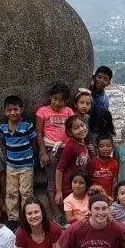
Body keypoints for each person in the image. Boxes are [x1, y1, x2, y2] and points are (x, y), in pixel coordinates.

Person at [0, 95, 38, 230]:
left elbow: (33, 142)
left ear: (22, 110)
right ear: (4, 112)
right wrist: (7, 157)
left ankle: (27, 216)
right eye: (9, 110)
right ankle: (12, 218)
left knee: (26, 192)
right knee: (11, 192)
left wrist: (31, 157)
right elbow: (3, 143)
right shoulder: (2, 126)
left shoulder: (27, 125)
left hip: (26, 165)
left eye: (15, 109)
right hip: (11, 165)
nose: (12, 113)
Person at [36, 82, 74, 220]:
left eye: (61, 100)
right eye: (55, 99)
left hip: (67, 149)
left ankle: (68, 211)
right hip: (51, 149)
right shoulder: (43, 111)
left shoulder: (69, 111)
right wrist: (43, 152)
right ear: (50, 97)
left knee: (68, 182)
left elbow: (72, 129)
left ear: (66, 101)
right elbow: (39, 133)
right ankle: (57, 215)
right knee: (52, 184)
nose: (57, 103)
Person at [55, 115, 89, 204]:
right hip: (69, 187)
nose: (81, 129)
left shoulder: (83, 142)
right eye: (76, 128)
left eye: (82, 125)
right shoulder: (71, 146)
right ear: (70, 132)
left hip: (79, 185)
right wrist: (59, 191)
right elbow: (59, 169)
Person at [87, 134, 119, 199]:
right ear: (97, 148)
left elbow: (115, 182)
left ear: (112, 147)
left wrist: (112, 197)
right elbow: (88, 179)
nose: (105, 149)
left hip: (108, 196)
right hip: (93, 196)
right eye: (102, 146)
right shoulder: (92, 162)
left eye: (108, 146)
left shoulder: (114, 163)